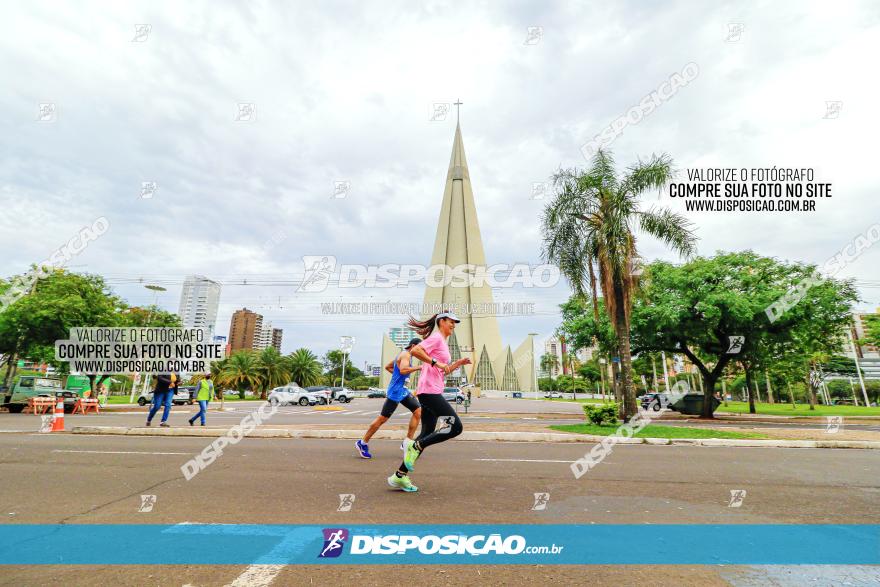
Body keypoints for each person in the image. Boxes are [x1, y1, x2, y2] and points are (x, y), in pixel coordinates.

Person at [387, 311, 472, 492]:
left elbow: (444, 370)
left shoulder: (442, 342)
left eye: (455, 323)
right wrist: (435, 362)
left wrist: (458, 364)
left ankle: (399, 476)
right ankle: (414, 445)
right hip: (429, 392)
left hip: (431, 390)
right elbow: (416, 350)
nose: (454, 325)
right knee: (455, 427)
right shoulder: (436, 338)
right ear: (442, 321)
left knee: (426, 433)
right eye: (451, 322)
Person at [356, 337, 422, 459]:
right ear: (413, 346)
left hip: (402, 390)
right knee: (382, 419)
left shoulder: (404, 355)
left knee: (418, 411)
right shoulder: (405, 355)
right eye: (420, 348)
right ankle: (362, 442)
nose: (421, 351)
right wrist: (419, 368)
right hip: (395, 392)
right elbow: (403, 370)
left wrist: (398, 377)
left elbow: (388, 367)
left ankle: (407, 442)